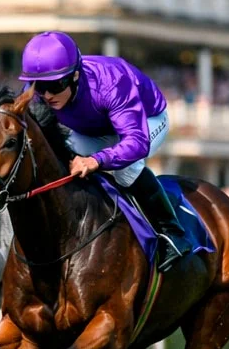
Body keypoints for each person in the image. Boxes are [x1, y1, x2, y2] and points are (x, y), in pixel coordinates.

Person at [19, 30, 191, 271]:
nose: (47, 95)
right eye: (39, 87)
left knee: (126, 169)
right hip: (94, 128)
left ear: (75, 75)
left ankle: (173, 233)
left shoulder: (110, 82)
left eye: (55, 86)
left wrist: (97, 160)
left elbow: (137, 141)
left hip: (146, 121)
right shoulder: (39, 91)